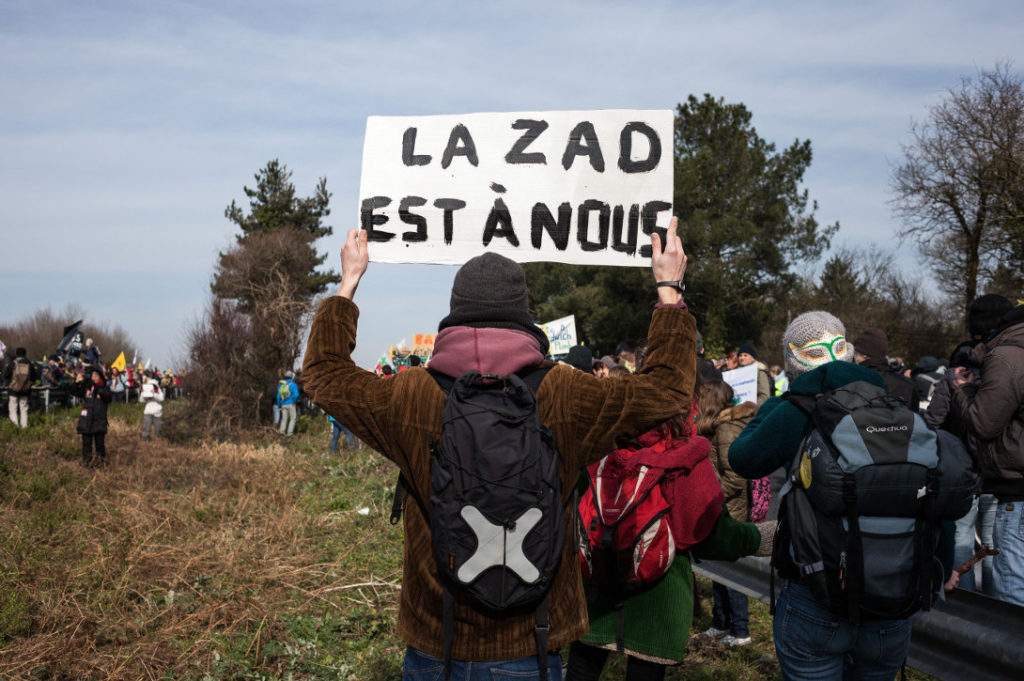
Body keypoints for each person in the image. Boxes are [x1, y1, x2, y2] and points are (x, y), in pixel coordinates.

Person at [302, 222, 726, 679]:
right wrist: (668, 292)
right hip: (531, 642)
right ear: (523, 315)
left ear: (454, 313)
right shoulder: (565, 393)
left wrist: (349, 281)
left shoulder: (411, 394)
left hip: (436, 642)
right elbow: (665, 391)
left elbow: (324, 374)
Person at [729, 311, 952, 681]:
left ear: (794, 361)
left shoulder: (793, 408)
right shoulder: (893, 401)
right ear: (847, 351)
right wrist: (940, 564)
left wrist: (773, 405)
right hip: (893, 598)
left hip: (816, 594)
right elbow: (930, 485)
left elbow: (743, 459)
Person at [951, 295, 1024, 607]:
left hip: (1017, 489)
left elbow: (984, 423)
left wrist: (963, 390)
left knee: (1015, 591)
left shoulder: (1006, 357)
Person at [925, 341, 994, 594]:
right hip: (995, 473)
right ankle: (998, 611)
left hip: (961, 474)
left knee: (961, 541)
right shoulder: (995, 378)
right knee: (992, 546)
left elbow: (933, 421)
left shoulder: (951, 380)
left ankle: (965, 608)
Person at [695, 379, 759, 648]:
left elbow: (734, 479)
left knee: (733, 574)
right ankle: (721, 624)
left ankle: (741, 630)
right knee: (719, 571)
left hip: (730, 511)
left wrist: (710, 496)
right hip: (722, 509)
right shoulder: (720, 427)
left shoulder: (726, 430)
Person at [851, 326, 920, 411]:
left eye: (855, 354)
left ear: (865, 356)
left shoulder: (853, 383)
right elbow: (916, 421)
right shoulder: (908, 386)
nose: (853, 358)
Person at [74, 365, 112, 467]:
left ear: (100, 377)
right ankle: (87, 463)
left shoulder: (105, 388)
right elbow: (75, 392)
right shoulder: (87, 388)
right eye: (92, 376)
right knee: (86, 444)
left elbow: (107, 396)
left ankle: (101, 463)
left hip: (99, 421)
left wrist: (96, 388)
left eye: (96, 375)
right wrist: (77, 383)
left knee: (100, 445)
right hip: (86, 420)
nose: (93, 378)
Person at [4, 346, 39, 428]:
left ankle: (15, 427)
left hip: (13, 390)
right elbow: (35, 376)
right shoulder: (29, 363)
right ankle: (24, 428)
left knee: (13, 409)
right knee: (24, 410)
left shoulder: (13, 363)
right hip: (25, 390)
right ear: (25, 354)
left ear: (16, 354)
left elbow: (6, 375)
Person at [276, 370, 299, 436]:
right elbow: (296, 395)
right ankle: (289, 433)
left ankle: (282, 432)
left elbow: (278, 396)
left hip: (283, 404)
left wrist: (279, 405)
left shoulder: (281, 385)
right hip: (291, 404)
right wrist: (294, 401)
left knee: (284, 418)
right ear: (292, 377)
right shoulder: (293, 385)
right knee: (293, 418)